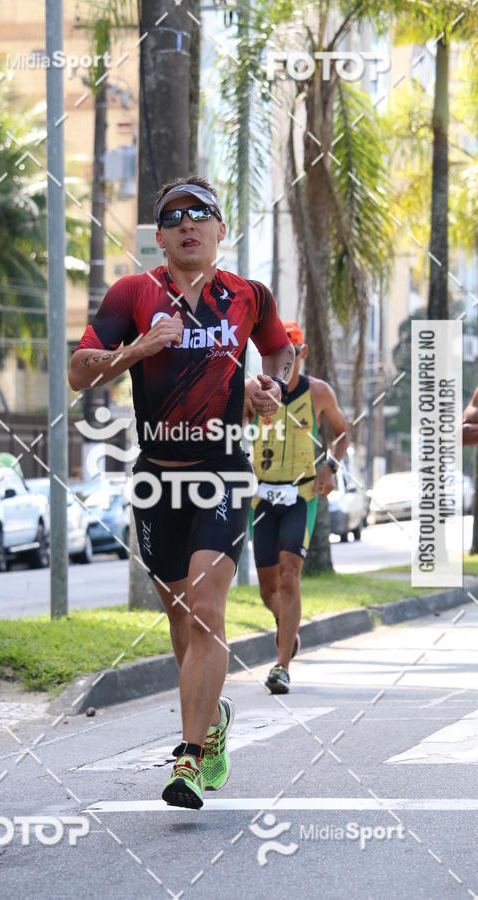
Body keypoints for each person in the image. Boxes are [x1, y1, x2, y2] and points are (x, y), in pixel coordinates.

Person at [68, 176, 294, 809]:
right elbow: (76, 374)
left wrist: (269, 388)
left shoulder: (249, 296)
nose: (188, 224)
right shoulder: (133, 293)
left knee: (206, 610)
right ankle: (213, 717)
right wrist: (140, 346)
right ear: (161, 235)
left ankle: (190, 757)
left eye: (202, 215)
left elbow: (277, 355)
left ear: (221, 230)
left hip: (221, 470)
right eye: (174, 216)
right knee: (179, 617)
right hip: (155, 473)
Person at [243, 321, 349, 694]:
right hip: (261, 498)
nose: (281, 360)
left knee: (290, 575)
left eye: (289, 352)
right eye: (273, 354)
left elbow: (343, 431)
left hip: (299, 497)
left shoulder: (317, 393)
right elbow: (232, 430)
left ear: (301, 354)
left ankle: (281, 666)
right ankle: (286, 625)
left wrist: (331, 465)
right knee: (268, 589)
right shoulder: (253, 393)